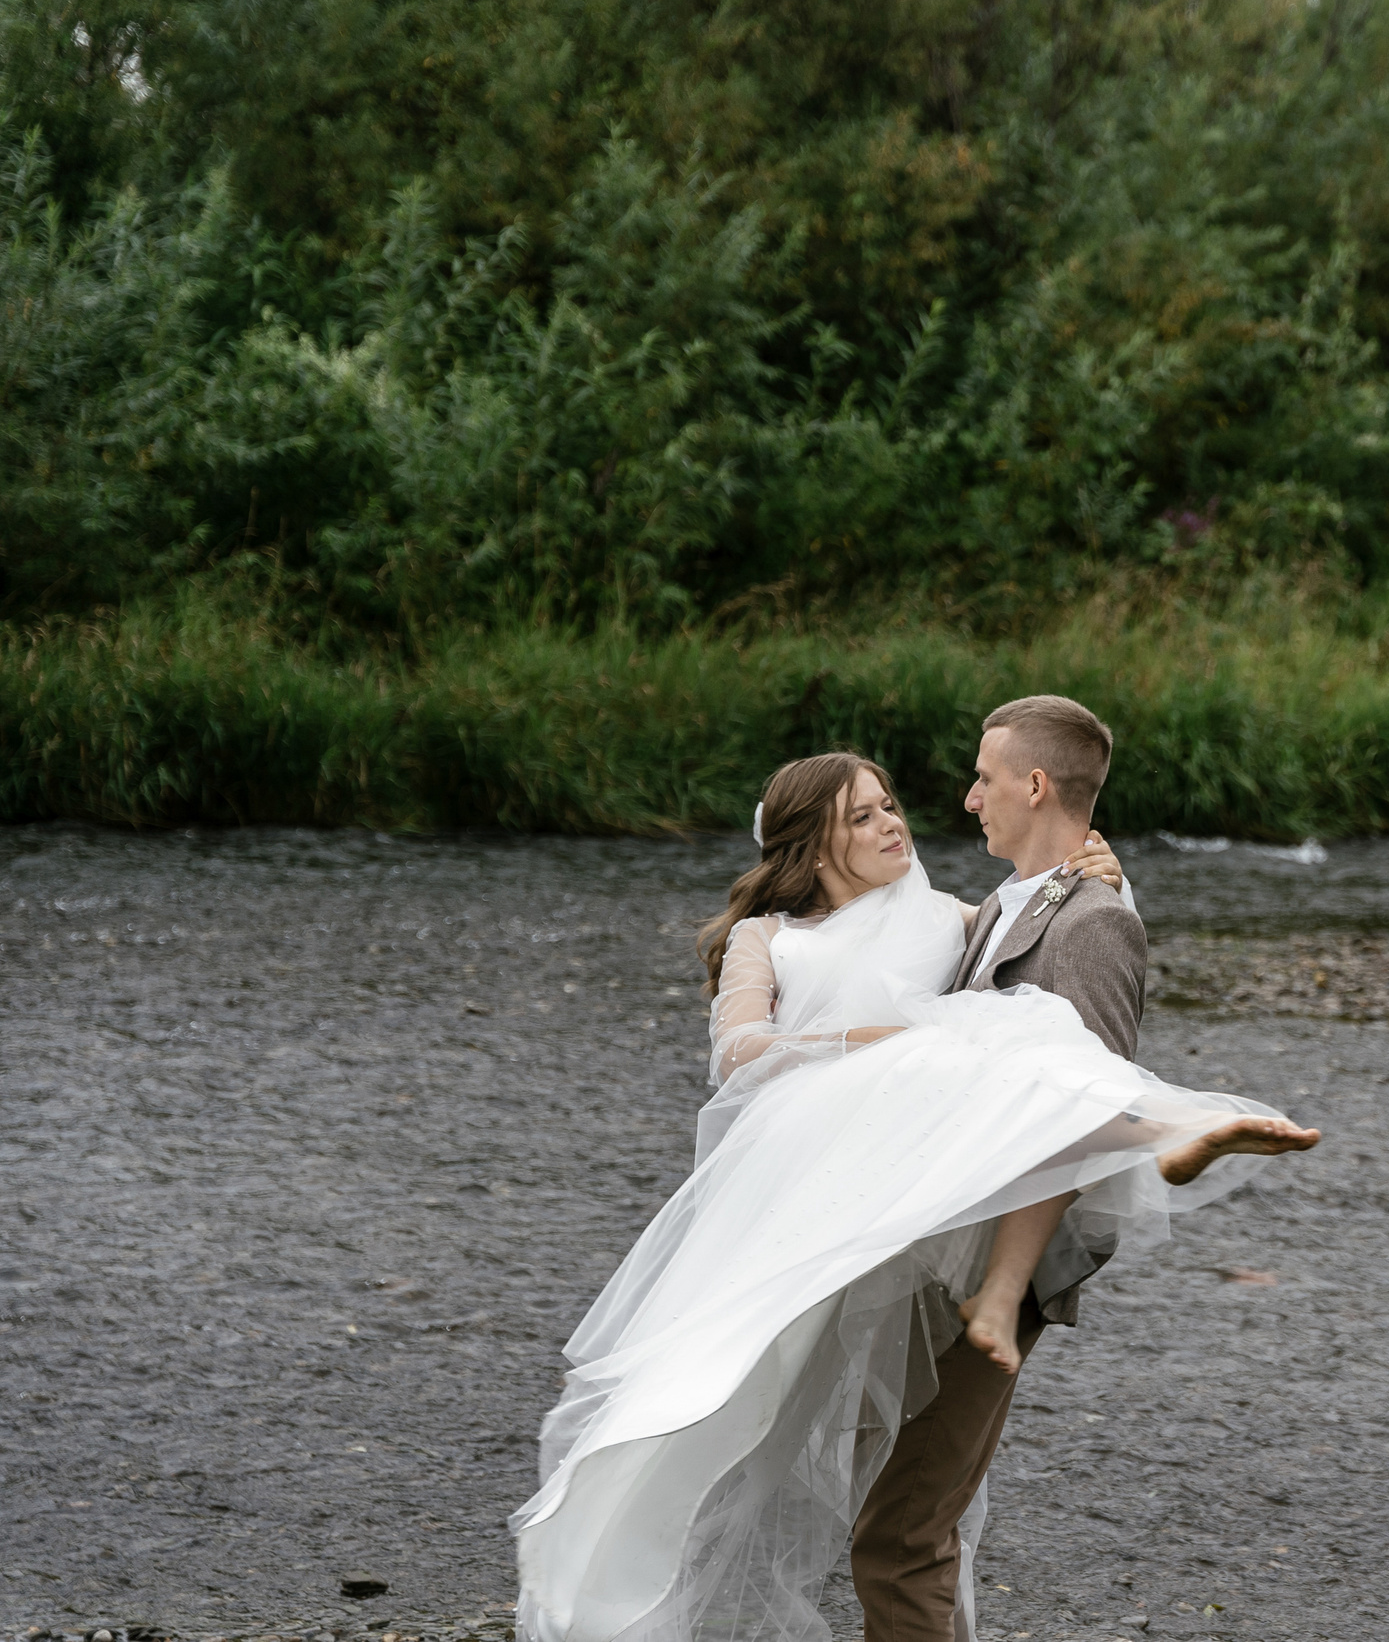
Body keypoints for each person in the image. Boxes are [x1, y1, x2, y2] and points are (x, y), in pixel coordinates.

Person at [510, 702, 1319, 1642]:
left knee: (903, 1517)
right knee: (709, 1425)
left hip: (926, 1221)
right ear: (812, 846)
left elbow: (1059, 975)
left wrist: (1109, 879)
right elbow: (740, 1048)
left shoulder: (953, 919)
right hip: (815, 1210)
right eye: (863, 815)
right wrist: (888, 1039)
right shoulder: (772, 937)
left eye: (890, 803)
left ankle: (1169, 1125)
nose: (897, 821)